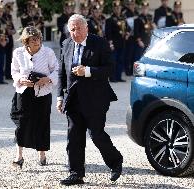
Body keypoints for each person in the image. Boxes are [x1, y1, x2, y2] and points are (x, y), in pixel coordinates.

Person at [57, 14, 123, 186]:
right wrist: (59, 97)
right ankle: (76, 173)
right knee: (74, 137)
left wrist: (87, 71)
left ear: (86, 28)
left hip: (95, 98)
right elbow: (61, 74)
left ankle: (115, 162)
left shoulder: (99, 43)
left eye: (78, 28)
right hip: (73, 99)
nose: (75, 32)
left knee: (96, 135)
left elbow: (109, 69)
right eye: (72, 29)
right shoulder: (66, 44)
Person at [10, 26, 58, 168]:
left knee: (42, 122)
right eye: (33, 39)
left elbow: (56, 69)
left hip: (42, 92)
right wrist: (20, 79)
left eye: (39, 38)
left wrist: (47, 79)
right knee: (22, 123)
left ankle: (42, 154)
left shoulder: (48, 52)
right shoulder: (18, 52)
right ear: (26, 41)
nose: (37, 41)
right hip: (24, 92)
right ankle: (19, 157)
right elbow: (14, 71)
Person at [105, 0, 130, 82]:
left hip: (122, 43)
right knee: (113, 61)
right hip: (114, 43)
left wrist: (127, 33)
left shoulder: (123, 18)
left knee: (120, 60)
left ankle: (119, 77)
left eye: (119, 8)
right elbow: (108, 32)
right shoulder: (110, 19)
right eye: (116, 8)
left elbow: (128, 28)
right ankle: (112, 77)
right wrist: (110, 43)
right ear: (113, 9)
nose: (117, 9)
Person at [3, 2, 16, 80]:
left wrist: (13, 31)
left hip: (10, 39)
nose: (9, 10)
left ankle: (8, 74)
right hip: (3, 38)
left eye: (10, 8)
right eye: (8, 8)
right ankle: (0, 74)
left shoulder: (9, 16)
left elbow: (13, 28)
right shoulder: (2, 16)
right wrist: (7, 30)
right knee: (1, 58)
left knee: (9, 58)